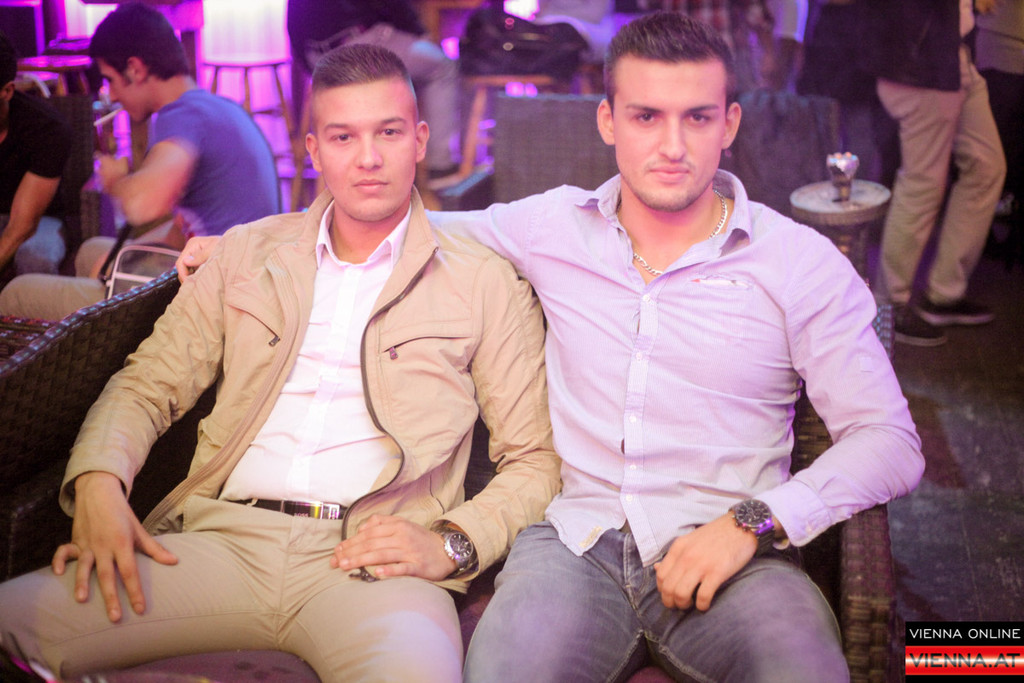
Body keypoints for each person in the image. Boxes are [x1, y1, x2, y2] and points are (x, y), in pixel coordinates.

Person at [179, 12, 925, 681]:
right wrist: (248, 244)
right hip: (572, 547)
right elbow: (395, 225)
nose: (672, 146)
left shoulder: (797, 263)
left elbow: (890, 441)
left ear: (729, 123)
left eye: (696, 117)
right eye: (646, 116)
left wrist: (751, 523)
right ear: (608, 121)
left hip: (734, 555)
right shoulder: (552, 228)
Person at [0, 43, 558, 683]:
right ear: (314, 149)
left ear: (420, 140)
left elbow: (534, 459)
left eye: (389, 132)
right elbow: (146, 384)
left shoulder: (483, 282)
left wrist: (451, 542)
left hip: (378, 564)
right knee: (9, 620)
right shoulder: (245, 254)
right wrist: (99, 480)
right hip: (222, 542)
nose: (369, 158)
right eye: (344, 137)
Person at [0, 3, 279, 320]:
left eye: (110, 80)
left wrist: (117, 180)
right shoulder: (213, 107)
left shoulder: (182, 115)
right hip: (234, 278)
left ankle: (97, 338)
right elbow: (183, 227)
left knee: (16, 292)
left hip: (217, 302)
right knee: (92, 251)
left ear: (135, 69)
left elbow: (142, 206)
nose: (112, 96)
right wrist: (119, 258)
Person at [860, 0, 1006, 346]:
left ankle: (943, 294)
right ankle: (888, 308)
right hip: (922, 60)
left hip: (953, 55)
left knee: (986, 166)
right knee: (922, 183)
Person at [287, 0, 460, 180]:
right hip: (359, 43)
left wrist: (315, 71)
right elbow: (392, 6)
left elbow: (292, 22)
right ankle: (440, 167)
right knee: (441, 66)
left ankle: (398, 168)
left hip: (316, 55)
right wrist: (419, 33)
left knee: (403, 74)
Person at [0, 30, 72, 284]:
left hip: (40, 220)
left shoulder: (47, 128)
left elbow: (22, 226)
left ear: (7, 91)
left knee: (35, 258)